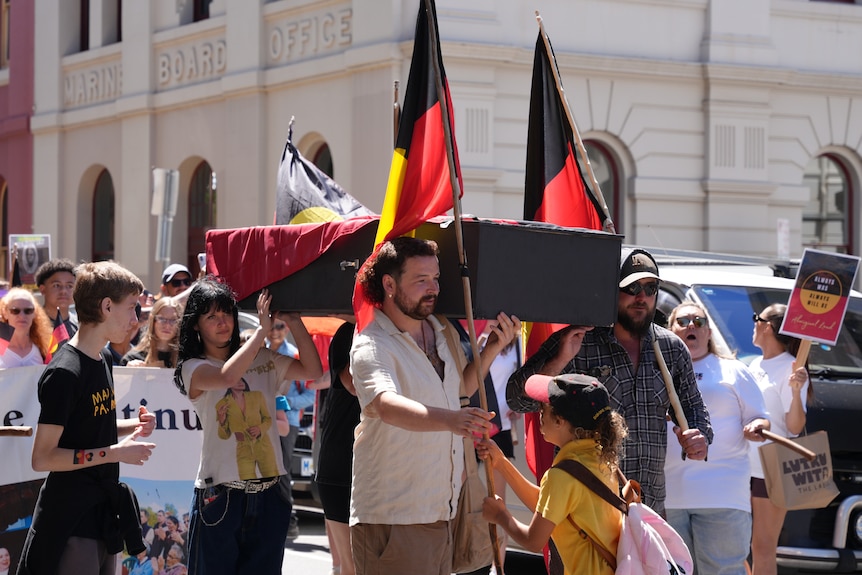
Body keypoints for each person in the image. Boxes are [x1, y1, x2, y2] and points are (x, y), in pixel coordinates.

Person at [349, 237, 519, 575]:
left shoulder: (443, 331)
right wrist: (452, 421)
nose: (433, 289)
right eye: (421, 280)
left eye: (436, 278)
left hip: (443, 513)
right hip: (395, 517)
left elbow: (459, 390)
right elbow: (386, 406)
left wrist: (492, 347)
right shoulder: (371, 343)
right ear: (389, 284)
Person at [507, 247, 712, 515]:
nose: (642, 297)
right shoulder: (578, 340)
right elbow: (517, 398)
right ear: (611, 291)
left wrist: (699, 435)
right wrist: (559, 359)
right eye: (633, 287)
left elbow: (693, 408)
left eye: (650, 288)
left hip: (648, 508)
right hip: (588, 505)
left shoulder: (672, 348)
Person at [17, 261, 157, 575]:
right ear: (107, 306)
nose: (136, 320)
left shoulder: (103, 356)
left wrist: (132, 426)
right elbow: (43, 458)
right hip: (70, 520)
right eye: (132, 307)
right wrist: (114, 453)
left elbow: (87, 428)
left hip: (102, 516)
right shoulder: (65, 372)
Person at [173, 279, 322, 575]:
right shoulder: (191, 367)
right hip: (221, 496)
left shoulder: (264, 358)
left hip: (270, 493)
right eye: (211, 316)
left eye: (226, 313)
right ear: (195, 326)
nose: (222, 322)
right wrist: (261, 332)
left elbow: (314, 371)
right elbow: (228, 377)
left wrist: (293, 321)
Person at [480, 373, 628, 575]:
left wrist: (500, 516)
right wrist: (502, 464)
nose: (537, 416)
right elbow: (549, 507)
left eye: (542, 411)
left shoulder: (562, 476)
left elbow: (533, 541)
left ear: (559, 421)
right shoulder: (599, 456)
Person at [664, 301, 770, 575]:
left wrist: (756, 427)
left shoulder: (733, 370)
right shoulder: (655, 372)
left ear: (709, 332)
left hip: (722, 496)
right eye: (683, 321)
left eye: (698, 322)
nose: (691, 326)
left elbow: (759, 417)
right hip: (667, 497)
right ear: (670, 330)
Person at [749, 303, 810, 575]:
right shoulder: (752, 364)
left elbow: (795, 427)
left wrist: (797, 391)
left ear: (769, 327)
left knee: (763, 548)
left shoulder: (792, 368)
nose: (754, 323)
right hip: (741, 466)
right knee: (738, 546)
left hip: (771, 468)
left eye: (757, 318)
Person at [315, 321, 359, 575]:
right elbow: (354, 384)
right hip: (339, 470)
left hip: (370, 468)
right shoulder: (349, 333)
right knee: (351, 564)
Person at [0, 288, 53, 367]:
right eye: (15, 311)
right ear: (5, 313)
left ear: (34, 313)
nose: (22, 316)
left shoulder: (44, 349)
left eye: (28, 310)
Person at [123, 297, 181, 368]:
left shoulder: (185, 360)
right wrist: (127, 372)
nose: (167, 325)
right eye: (161, 319)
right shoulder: (134, 358)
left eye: (173, 320)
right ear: (152, 320)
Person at [35, 258, 78, 339]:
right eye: (56, 285)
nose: (63, 291)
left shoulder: (80, 326)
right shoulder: (32, 324)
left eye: (69, 286)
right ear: (42, 289)